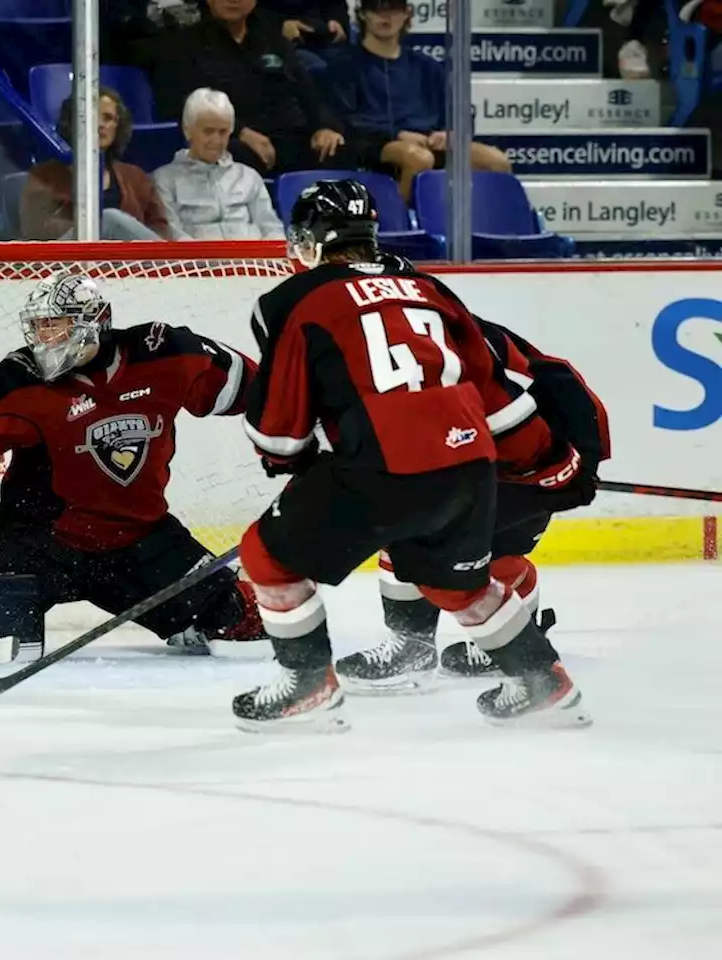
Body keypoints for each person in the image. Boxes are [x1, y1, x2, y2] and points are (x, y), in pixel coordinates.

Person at [231, 180, 592, 732]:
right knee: (456, 585)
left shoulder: (290, 301)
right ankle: (544, 682)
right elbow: (498, 400)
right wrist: (547, 463)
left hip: (384, 468)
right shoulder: (429, 288)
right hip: (470, 466)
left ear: (311, 240)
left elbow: (280, 434)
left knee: (265, 555)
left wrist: (293, 466)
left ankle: (308, 685)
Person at [0, 271, 271, 657]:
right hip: (36, 542)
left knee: (239, 618)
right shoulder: (21, 379)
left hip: (140, 542)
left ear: (93, 322)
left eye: (56, 326)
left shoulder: (166, 353)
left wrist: (311, 421)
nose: (44, 339)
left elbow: (258, 390)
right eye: (39, 328)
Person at [336, 258, 610, 690]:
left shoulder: (450, 337)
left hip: (538, 459)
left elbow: (551, 389)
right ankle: (419, 642)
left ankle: (447, 635)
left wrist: (582, 461)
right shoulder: (394, 341)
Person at [151, 0, 371, 176]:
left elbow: (307, 91)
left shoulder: (273, 38)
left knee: (338, 148)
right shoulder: (183, 44)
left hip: (289, 137)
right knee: (230, 152)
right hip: (234, 140)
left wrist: (324, 127)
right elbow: (180, 104)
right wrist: (240, 131)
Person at [326, 0, 512, 200]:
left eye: (393, 9)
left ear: (407, 14)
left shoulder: (427, 66)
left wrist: (450, 133)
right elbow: (346, 119)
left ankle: (489, 227)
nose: (385, 16)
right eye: (377, 9)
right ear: (363, 15)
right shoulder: (346, 65)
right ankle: (398, 224)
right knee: (418, 158)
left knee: (496, 161)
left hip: (429, 142)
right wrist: (398, 134)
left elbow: (460, 111)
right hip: (375, 144)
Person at [20, 87, 175, 241]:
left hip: (124, 262)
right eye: (90, 116)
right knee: (109, 220)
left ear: (117, 127)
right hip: (67, 259)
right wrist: (99, 229)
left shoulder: (136, 177)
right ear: (73, 122)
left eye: (107, 118)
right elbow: (35, 227)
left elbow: (159, 227)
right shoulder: (44, 175)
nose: (100, 124)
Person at [153, 87, 287, 240]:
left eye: (223, 132)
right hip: (199, 261)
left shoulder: (249, 177)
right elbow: (173, 234)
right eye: (208, 131)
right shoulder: (165, 180)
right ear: (187, 130)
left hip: (254, 260)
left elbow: (271, 227)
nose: (216, 140)